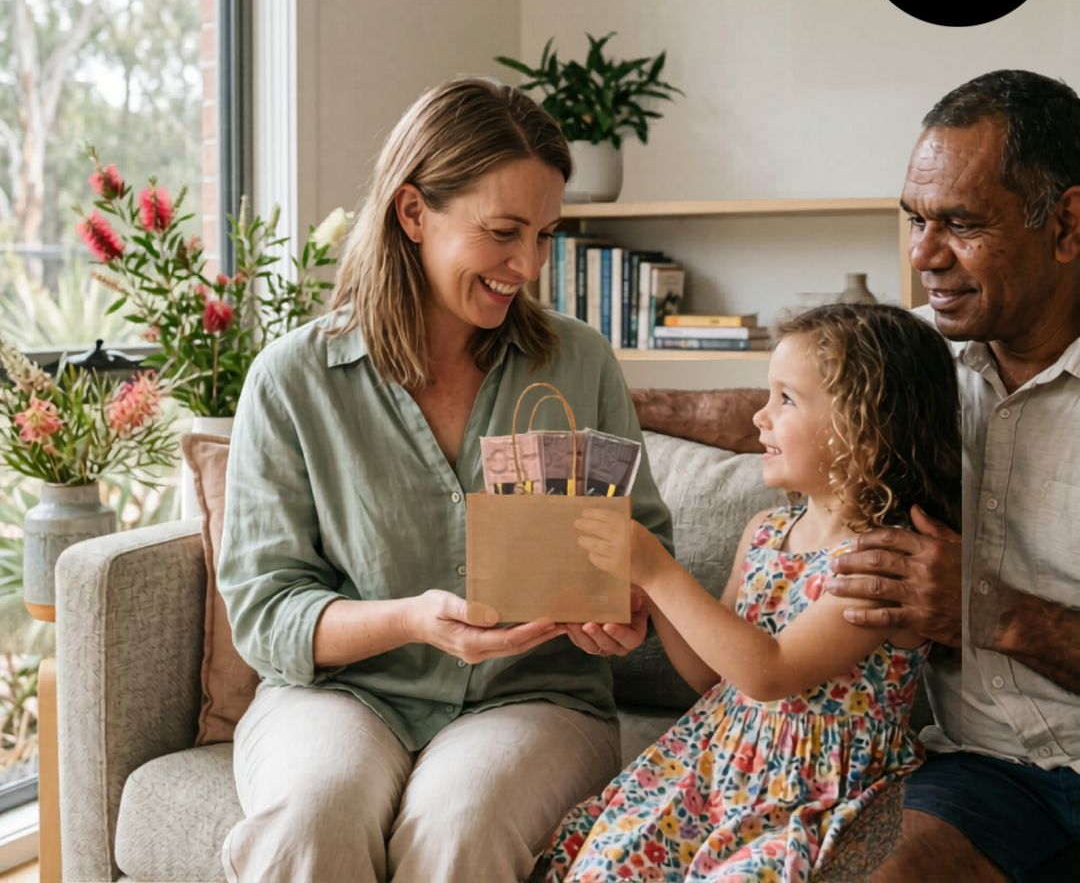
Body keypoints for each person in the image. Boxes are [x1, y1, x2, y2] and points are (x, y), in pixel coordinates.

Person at [216, 78, 672, 883]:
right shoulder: (293, 380)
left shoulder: (578, 363)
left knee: (462, 824)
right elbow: (265, 611)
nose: (527, 265)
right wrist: (415, 620)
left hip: (535, 699)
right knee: (315, 814)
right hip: (340, 696)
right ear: (413, 212)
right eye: (503, 232)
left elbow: (643, 550)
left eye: (544, 235)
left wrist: (629, 612)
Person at [535, 303, 961, 881]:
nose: (760, 418)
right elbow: (715, 678)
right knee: (608, 864)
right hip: (711, 767)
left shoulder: (887, 564)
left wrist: (661, 571)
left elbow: (770, 672)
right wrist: (652, 593)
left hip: (808, 793)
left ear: (866, 426)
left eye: (786, 399)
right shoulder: (766, 532)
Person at [827, 70, 1080, 881]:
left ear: (1069, 224)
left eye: (962, 223)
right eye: (915, 219)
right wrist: (618, 397)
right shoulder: (918, 370)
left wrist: (986, 609)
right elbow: (776, 408)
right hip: (979, 773)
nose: (923, 254)